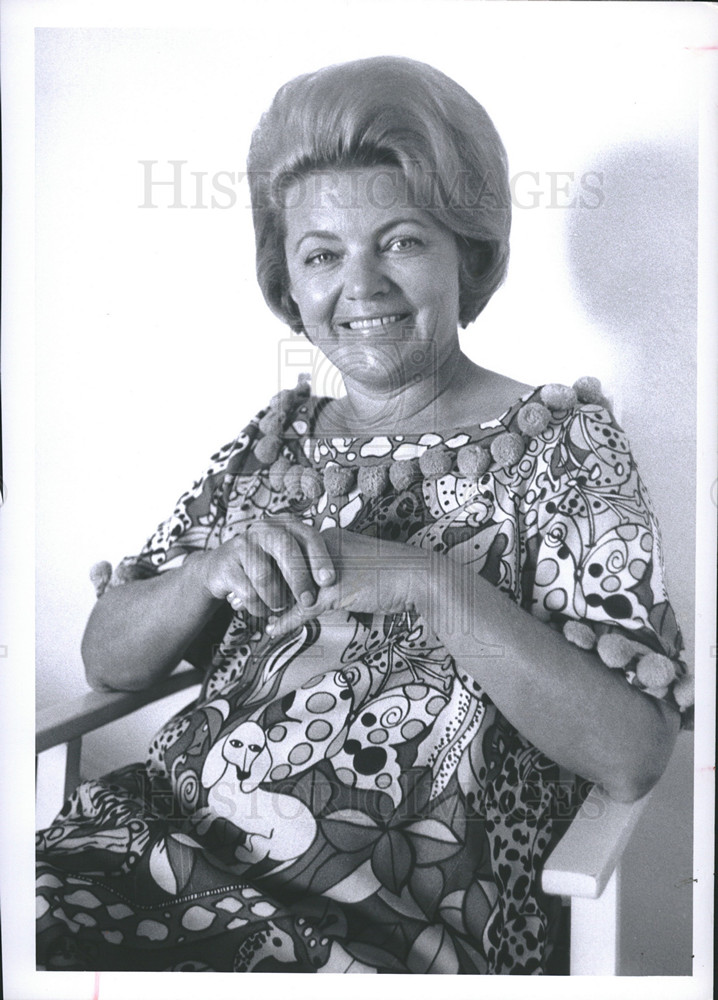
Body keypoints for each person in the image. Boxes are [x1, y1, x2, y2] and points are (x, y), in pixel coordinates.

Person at [36, 56, 692, 975]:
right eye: (321, 255)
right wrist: (207, 571)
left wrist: (426, 582)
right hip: (144, 856)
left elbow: (630, 756)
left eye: (401, 242)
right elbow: (108, 656)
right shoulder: (271, 442)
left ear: (468, 251)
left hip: (382, 929)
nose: (363, 286)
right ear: (289, 286)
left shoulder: (563, 443)